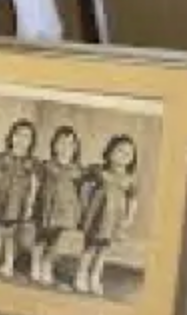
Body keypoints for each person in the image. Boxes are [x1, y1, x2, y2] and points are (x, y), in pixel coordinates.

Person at [75, 134, 139, 296]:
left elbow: (133, 201)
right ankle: (81, 274)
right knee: (90, 247)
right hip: (97, 216)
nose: (124, 155)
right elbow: (82, 185)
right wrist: (84, 205)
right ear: (109, 152)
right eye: (120, 150)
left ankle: (95, 276)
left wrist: (129, 218)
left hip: (114, 219)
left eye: (128, 153)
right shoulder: (98, 171)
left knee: (103, 249)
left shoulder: (129, 180)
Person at [30, 125, 83, 286]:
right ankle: (36, 263)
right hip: (45, 208)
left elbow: (79, 192)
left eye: (70, 144)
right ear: (54, 145)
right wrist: (31, 202)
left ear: (75, 148)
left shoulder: (77, 170)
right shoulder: (46, 165)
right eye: (61, 142)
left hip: (65, 211)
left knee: (56, 241)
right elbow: (36, 184)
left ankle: (47, 264)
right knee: (40, 238)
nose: (65, 147)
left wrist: (77, 212)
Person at [0, 119, 40, 278]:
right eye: (18, 135)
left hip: (18, 203)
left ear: (31, 141)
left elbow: (34, 185)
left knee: (11, 235)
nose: (21, 139)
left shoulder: (31, 162)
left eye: (26, 136)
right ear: (11, 137)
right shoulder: (3, 157)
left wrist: (30, 204)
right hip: (2, 200)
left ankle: (8, 263)